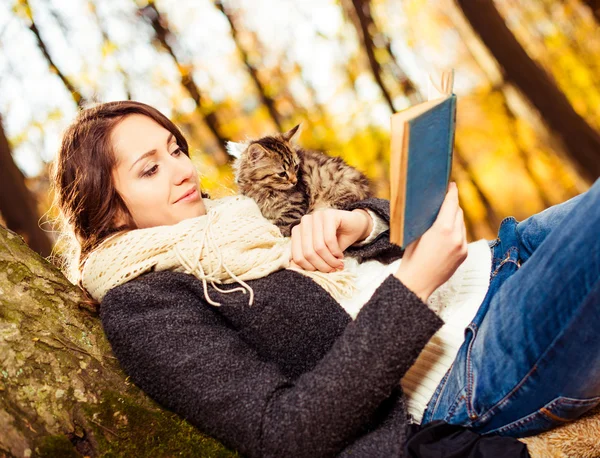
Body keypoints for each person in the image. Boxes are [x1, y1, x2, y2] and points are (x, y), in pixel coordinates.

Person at [52, 101, 599, 457]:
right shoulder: (141, 303)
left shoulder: (236, 215)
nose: (183, 170)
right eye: (150, 168)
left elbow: (381, 223)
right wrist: (411, 289)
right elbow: (283, 432)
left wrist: (359, 221)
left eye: (176, 150)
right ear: (109, 209)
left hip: (495, 260)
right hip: (469, 364)